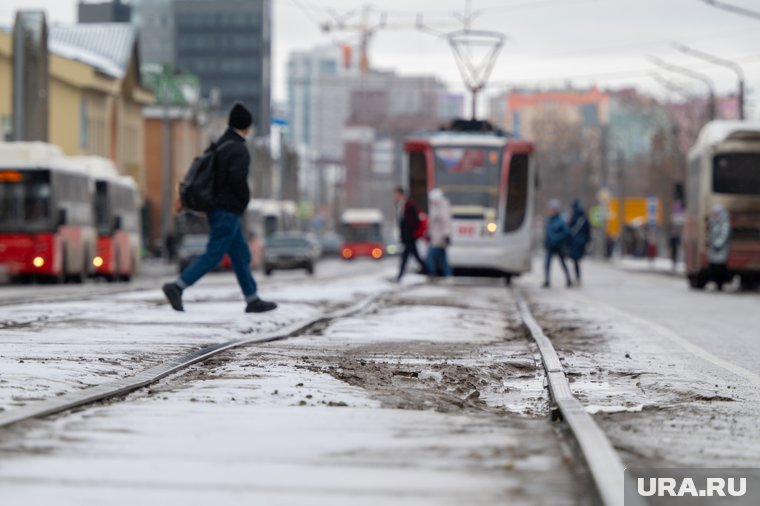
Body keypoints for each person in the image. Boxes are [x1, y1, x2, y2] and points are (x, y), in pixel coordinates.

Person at [162, 102, 277, 313]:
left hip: (218, 209)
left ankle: (252, 299)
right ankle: (177, 287)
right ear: (246, 127)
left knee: (240, 254)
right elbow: (237, 181)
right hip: (228, 211)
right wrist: (244, 200)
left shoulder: (219, 144)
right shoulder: (238, 149)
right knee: (214, 254)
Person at [393, 186, 427, 281]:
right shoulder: (401, 205)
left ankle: (400, 275)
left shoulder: (408, 204)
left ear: (400, 194)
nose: (394, 197)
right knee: (412, 256)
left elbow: (414, 220)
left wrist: (410, 232)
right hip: (408, 237)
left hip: (410, 237)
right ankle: (427, 270)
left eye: (395, 194)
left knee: (406, 256)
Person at [543, 199, 572, 288]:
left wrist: (557, 237)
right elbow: (547, 233)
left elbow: (567, 232)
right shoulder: (549, 221)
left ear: (555, 210)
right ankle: (547, 280)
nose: (549, 211)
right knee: (547, 263)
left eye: (551, 209)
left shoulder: (560, 221)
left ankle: (568, 280)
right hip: (550, 245)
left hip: (558, 246)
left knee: (563, 263)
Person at [426, 188, 452, 278]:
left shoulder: (442, 208)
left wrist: (446, 235)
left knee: (430, 257)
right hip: (436, 238)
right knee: (443, 259)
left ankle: (432, 274)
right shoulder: (435, 207)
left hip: (439, 238)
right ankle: (448, 275)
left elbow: (445, 222)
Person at [708, 203, 730, 291]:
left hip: (721, 250)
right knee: (714, 267)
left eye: (717, 213)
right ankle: (716, 282)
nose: (715, 214)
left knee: (720, 268)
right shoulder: (714, 222)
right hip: (714, 251)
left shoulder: (724, 223)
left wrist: (717, 244)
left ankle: (720, 283)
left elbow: (724, 235)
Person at [568, 199, 590, 285]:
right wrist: (587, 241)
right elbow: (588, 231)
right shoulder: (584, 218)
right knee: (577, 260)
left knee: (575, 261)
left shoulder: (574, 217)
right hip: (582, 242)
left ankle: (577, 277)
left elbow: (569, 229)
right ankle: (577, 277)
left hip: (575, 242)